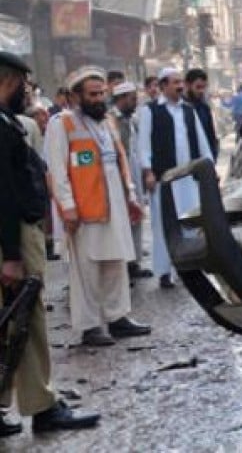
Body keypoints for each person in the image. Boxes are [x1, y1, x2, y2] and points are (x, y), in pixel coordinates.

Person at [0, 51, 100, 434]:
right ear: (7, 81)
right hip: (13, 238)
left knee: (11, 323)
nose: (27, 94)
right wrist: (11, 255)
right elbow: (4, 195)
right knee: (27, 319)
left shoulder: (9, 122)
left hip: (15, 235)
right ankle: (42, 406)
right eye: (23, 86)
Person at [45, 67, 151, 347]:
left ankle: (118, 318)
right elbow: (56, 170)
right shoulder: (62, 123)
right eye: (92, 94)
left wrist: (130, 196)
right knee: (87, 270)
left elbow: (119, 161)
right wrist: (67, 206)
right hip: (83, 209)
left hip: (113, 204)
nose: (98, 98)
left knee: (116, 262)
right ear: (76, 96)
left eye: (102, 93)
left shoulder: (107, 122)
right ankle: (90, 326)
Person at [138, 67, 214, 289]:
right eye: (174, 82)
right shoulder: (150, 111)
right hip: (164, 178)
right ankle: (164, 271)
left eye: (181, 82)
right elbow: (144, 144)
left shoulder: (188, 111)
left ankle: (189, 266)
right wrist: (148, 171)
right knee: (163, 224)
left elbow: (202, 143)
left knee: (190, 221)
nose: (180, 86)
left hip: (188, 178)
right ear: (162, 86)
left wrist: (209, 167)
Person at [109, 82, 151, 281]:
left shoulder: (132, 120)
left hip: (134, 177)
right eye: (132, 99)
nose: (135, 102)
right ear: (122, 98)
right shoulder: (110, 121)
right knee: (123, 222)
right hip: (120, 179)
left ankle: (134, 262)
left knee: (136, 218)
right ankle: (124, 264)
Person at [184, 68, 218, 160]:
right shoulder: (180, 108)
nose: (201, 91)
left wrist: (213, 157)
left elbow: (211, 135)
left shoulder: (204, 108)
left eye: (203, 87)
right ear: (187, 85)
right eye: (198, 87)